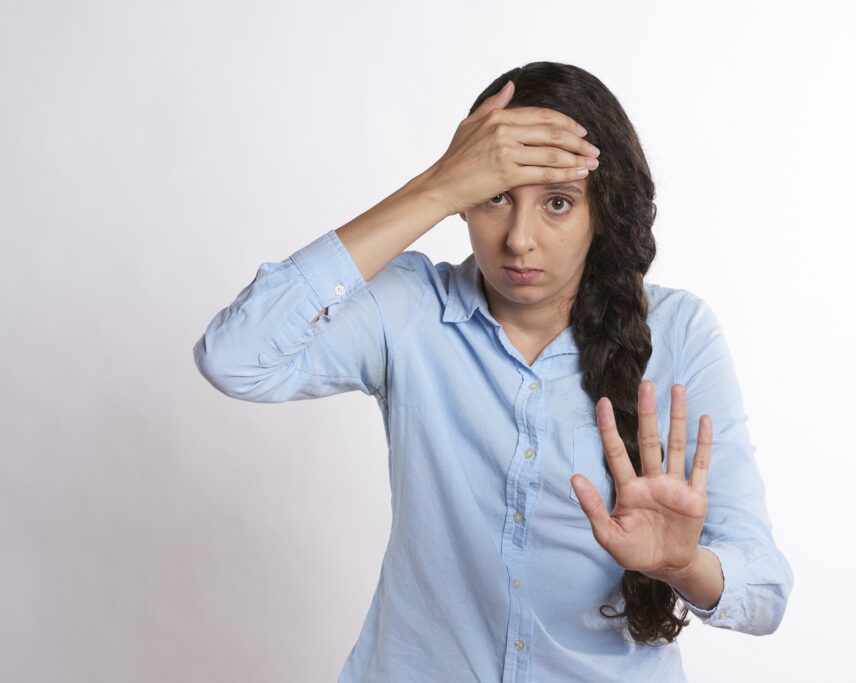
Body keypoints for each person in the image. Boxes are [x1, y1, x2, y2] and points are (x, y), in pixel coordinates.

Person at [193, 61, 794, 683]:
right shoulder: (409, 309)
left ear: (602, 212)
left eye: (557, 204)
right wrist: (434, 187)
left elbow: (764, 589)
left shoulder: (679, 332)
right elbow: (234, 357)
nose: (519, 240)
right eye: (494, 197)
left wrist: (682, 565)